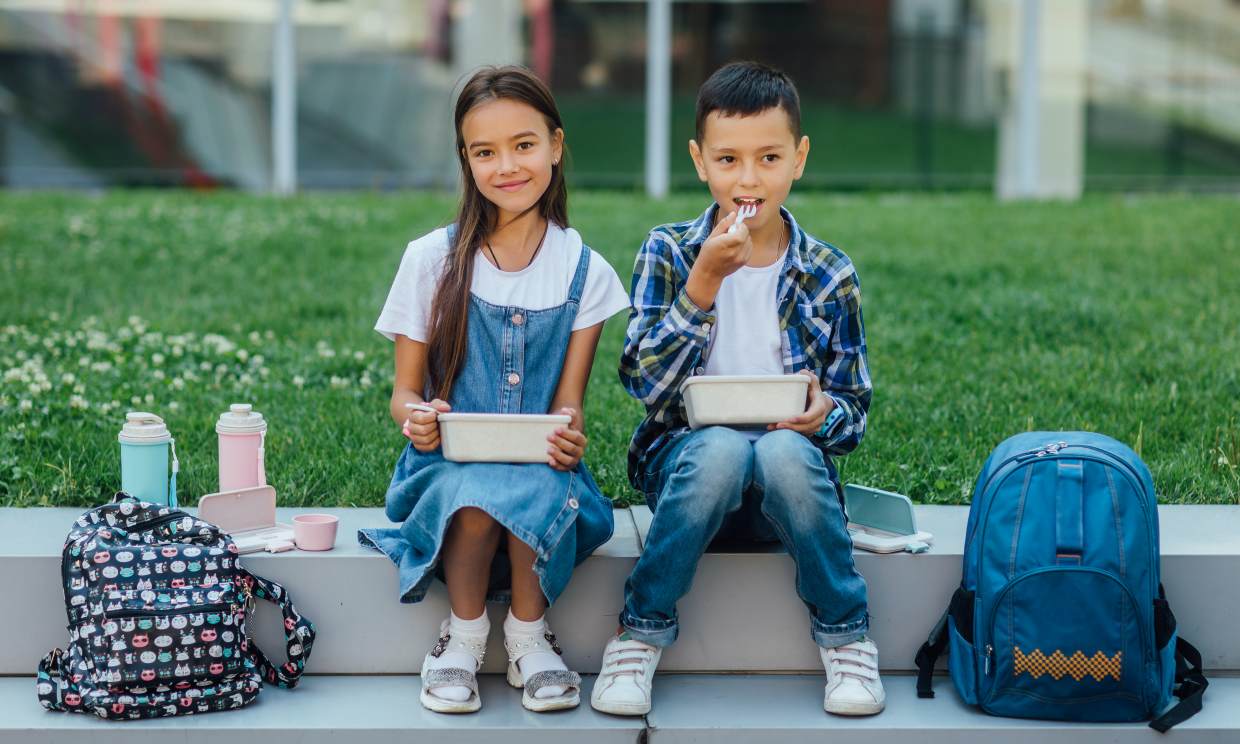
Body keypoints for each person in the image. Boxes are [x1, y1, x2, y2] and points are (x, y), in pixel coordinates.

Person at [591, 61, 882, 717]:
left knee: (778, 453)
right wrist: (702, 287)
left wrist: (822, 415)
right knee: (721, 447)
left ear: (799, 158)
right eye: (728, 159)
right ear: (700, 161)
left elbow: (853, 410)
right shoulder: (669, 252)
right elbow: (644, 386)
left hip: (789, 480)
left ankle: (846, 637)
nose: (748, 179)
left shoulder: (830, 273)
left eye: (769, 157)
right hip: (691, 475)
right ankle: (638, 633)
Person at [358, 65, 629, 714]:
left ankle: (530, 638)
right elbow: (404, 395)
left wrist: (568, 434)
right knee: (476, 498)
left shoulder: (583, 270)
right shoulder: (431, 260)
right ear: (466, 160)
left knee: (534, 490)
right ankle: (463, 635)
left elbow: (569, 401)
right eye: (485, 152)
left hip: (537, 463)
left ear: (556, 147)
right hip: (447, 463)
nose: (506, 165)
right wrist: (418, 416)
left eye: (524, 145)